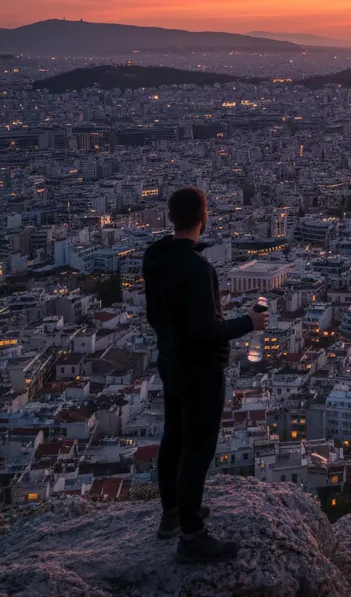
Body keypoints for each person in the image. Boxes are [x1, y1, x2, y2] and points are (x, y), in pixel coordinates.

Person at [144, 187, 269, 563]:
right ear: (204, 218)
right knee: (198, 450)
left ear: (170, 218)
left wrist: (171, 337)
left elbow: (156, 315)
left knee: (174, 438)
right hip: (201, 368)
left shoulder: (154, 258)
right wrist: (250, 322)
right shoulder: (199, 269)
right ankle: (192, 536)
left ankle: (174, 515)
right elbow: (205, 331)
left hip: (170, 361)